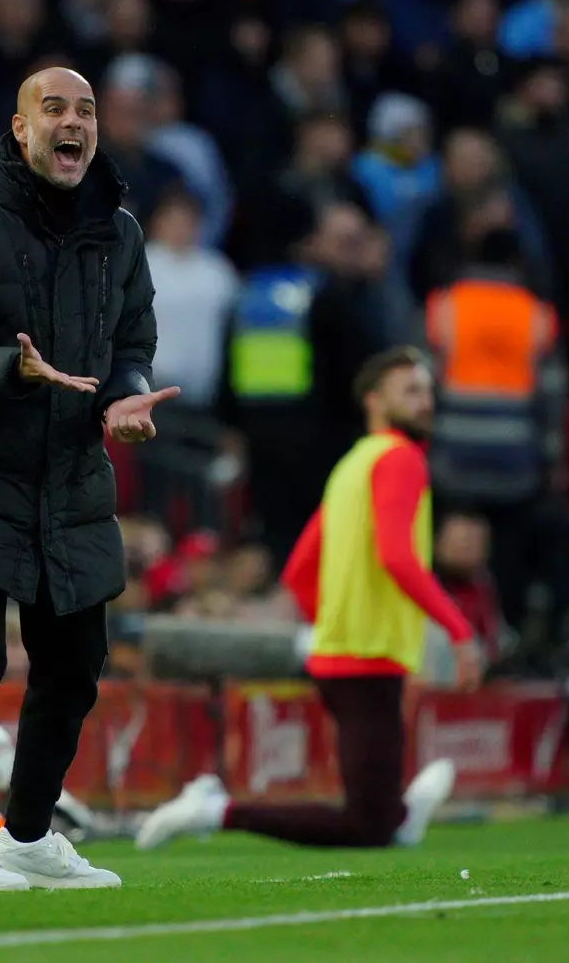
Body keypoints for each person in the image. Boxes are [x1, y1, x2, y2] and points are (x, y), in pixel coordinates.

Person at [0, 66, 176, 892]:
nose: (73, 123)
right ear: (19, 130)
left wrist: (127, 395)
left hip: (71, 474)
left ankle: (24, 835)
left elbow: (132, 343)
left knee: (75, 663)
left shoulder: (120, 234)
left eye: (86, 110)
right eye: (53, 108)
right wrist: (16, 371)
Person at [138, 346, 482, 851]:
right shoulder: (402, 459)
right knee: (367, 827)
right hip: (366, 658)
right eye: (411, 390)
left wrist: (335, 622)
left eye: (428, 391)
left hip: (343, 653)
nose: (426, 401)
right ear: (374, 400)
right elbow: (397, 558)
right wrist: (459, 630)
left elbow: (300, 570)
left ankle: (404, 815)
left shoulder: (352, 466)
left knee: (376, 814)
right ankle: (216, 810)